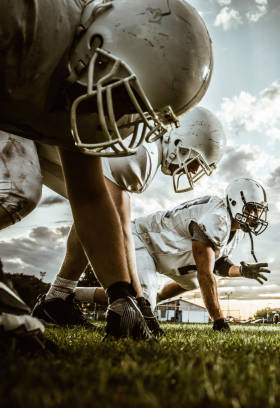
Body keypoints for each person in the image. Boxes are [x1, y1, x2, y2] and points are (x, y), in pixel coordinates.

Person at [0, 0, 213, 339]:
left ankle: (58, 298)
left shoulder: (84, 75)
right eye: (122, 99)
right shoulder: (26, 19)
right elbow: (117, 214)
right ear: (97, 43)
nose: (118, 118)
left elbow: (89, 197)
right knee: (16, 188)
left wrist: (122, 295)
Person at [31, 107, 226, 335]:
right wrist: (130, 298)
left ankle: (58, 298)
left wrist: (139, 300)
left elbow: (107, 216)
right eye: (194, 163)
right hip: (24, 131)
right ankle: (53, 299)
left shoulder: (147, 145)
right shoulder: (145, 153)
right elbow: (113, 223)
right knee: (18, 195)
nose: (191, 171)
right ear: (179, 139)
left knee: (91, 216)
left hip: (42, 139)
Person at [74, 178, 271, 332]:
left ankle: (154, 299)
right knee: (147, 299)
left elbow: (216, 264)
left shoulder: (232, 230)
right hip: (145, 240)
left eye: (258, 211)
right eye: (251, 209)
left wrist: (242, 271)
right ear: (235, 201)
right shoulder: (218, 218)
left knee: (192, 283)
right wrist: (219, 319)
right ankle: (74, 295)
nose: (255, 216)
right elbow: (205, 273)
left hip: (167, 253)